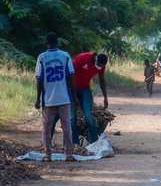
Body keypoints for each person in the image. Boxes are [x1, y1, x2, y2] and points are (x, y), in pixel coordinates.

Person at [35, 32, 76, 161]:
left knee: (47, 128)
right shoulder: (65, 56)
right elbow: (70, 77)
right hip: (64, 98)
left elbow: (39, 80)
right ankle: (69, 154)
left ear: (46, 43)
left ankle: (48, 155)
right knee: (67, 127)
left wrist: (37, 98)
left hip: (48, 100)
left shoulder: (42, 57)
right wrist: (74, 97)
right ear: (57, 42)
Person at [72, 50, 109, 146]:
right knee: (72, 117)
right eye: (99, 65)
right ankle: (75, 143)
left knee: (88, 115)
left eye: (102, 66)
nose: (99, 67)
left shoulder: (101, 65)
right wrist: (74, 96)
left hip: (85, 89)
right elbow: (70, 75)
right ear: (95, 59)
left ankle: (95, 143)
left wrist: (105, 97)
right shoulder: (82, 58)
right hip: (72, 88)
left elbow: (102, 80)